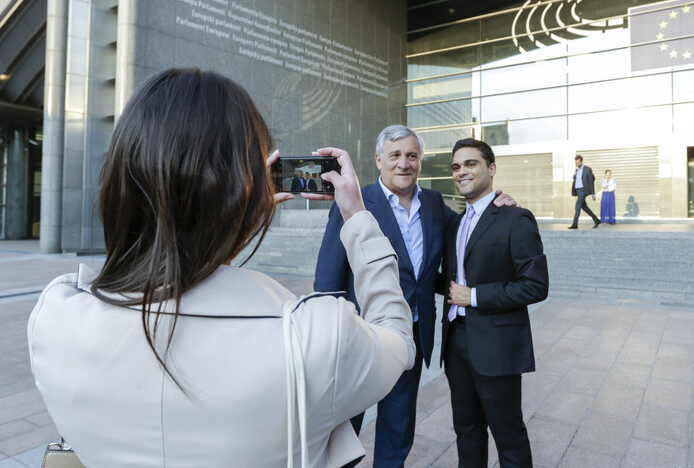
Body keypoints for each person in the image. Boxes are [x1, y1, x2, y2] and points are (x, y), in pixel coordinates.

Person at [27, 68, 416, 468]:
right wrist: (357, 218)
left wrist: (234, 221)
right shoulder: (316, 337)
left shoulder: (55, 315)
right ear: (243, 190)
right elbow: (397, 339)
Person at [314, 124, 516, 467]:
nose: (403, 163)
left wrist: (498, 203)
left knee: (398, 427)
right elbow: (329, 278)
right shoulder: (355, 201)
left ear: (420, 161)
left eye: (411, 155)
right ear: (379, 160)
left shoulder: (435, 203)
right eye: (394, 155)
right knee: (343, 430)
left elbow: (473, 226)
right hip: (359, 337)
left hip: (410, 336)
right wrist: (327, 335)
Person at [442, 138, 548, 468]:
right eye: (456, 167)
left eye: (471, 164)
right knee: (467, 430)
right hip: (455, 341)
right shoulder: (455, 223)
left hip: (496, 344)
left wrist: (473, 296)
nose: (462, 172)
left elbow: (536, 286)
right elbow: (450, 279)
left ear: (491, 168)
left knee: (508, 435)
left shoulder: (515, 218)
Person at [569, 155, 601, 229]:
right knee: (584, 207)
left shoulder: (587, 169)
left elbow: (592, 180)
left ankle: (575, 224)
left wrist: (593, 193)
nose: (577, 164)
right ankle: (596, 220)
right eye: (576, 163)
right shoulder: (576, 170)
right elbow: (575, 180)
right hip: (578, 191)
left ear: (581, 161)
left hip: (583, 190)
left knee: (577, 206)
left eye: (579, 163)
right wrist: (574, 175)